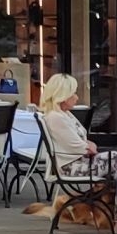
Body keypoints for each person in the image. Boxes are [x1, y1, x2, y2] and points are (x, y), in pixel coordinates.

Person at [23, 72, 96, 220]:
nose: (76, 97)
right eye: (73, 93)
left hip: (77, 162)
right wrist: (87, 146)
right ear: (62, 96)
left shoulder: (65, 114)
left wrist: (87, 145)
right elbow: (80, 147)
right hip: (70, 165)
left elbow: (82, 142)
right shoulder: (56, 117)